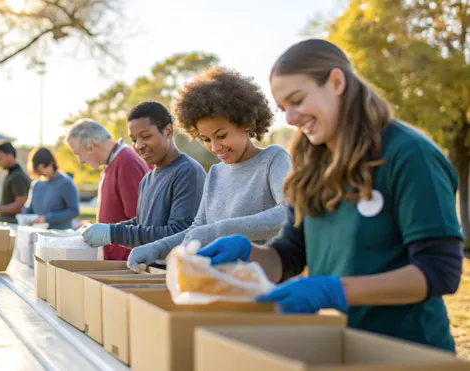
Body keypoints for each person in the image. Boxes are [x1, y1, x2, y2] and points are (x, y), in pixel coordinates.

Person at [197, 39, 464, 352]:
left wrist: (337, 290)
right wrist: (249, 254)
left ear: (337, 82)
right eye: (284, 109)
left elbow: (439, 272)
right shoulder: (311, 164)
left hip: (408, 350)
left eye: (297, 100)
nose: (291, 119)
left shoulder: (409, 155)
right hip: (338, 344)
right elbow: (290, 255)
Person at [127, 67, 292, 270]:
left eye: (221, 136)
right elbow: (199, 230)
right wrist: (158, 248)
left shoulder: (274, 159)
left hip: (263, 286)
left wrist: (219, 231)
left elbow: (289, 212)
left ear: (246, 123)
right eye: (205, 139)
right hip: (218, 286)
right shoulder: (215, 172)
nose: (215, 147)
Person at [80, 102, 206, 250]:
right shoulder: (147, 179)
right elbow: (143, 224)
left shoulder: (187, 171)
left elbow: (179, 234)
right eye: (134, 140)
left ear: (168, 131)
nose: (138, 145)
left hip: (172, 271)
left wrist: (114, 233)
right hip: (146, 270)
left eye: (145, 137)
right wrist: (107, 229)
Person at [67, 119, 150, 260]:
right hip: (114, 260)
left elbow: (141, 221)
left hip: (127, 264)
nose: (80, 161)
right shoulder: (109, 164)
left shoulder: (126, 163)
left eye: (79, 154)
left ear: (91, 146)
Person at [23, 147, 80, 230]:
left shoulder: (66, 183)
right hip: (38, 233)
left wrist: (47, 218)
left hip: (61, 234)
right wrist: (25, 215)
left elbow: (73, 211)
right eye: (39, 172)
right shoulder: (36, 184)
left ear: (50, 164)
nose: (42, 174)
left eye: (43, 169)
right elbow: (29, 207)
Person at [0, 142, 31, 224]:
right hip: (7, 224)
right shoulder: (12, 174)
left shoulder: (18, 176)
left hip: (13, 226)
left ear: (10, 156)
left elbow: (19, 205)